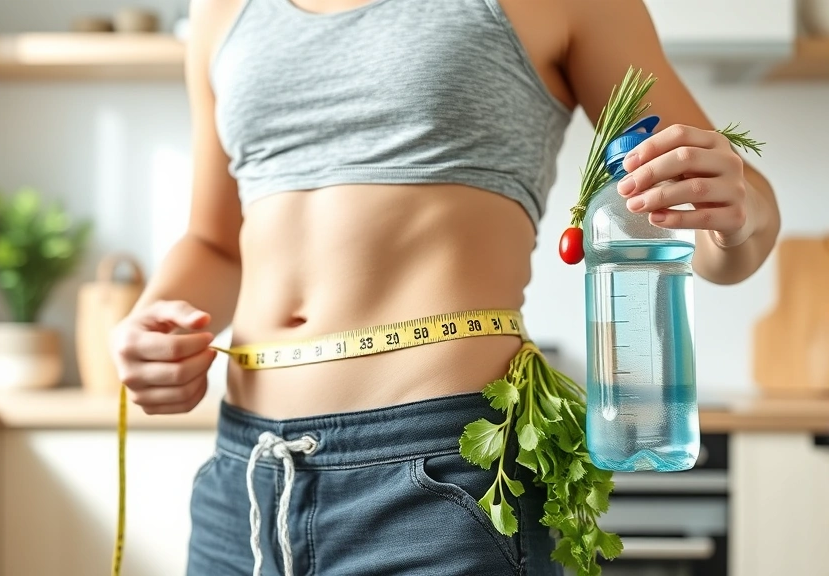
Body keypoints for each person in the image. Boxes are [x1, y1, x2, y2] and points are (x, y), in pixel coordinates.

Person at [110, 0, 780, 574]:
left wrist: (738, 215)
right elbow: (215, 243)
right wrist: (154, 324)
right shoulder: (221, 8)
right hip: (245, 477)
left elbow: (723, 211)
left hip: (447, 476)